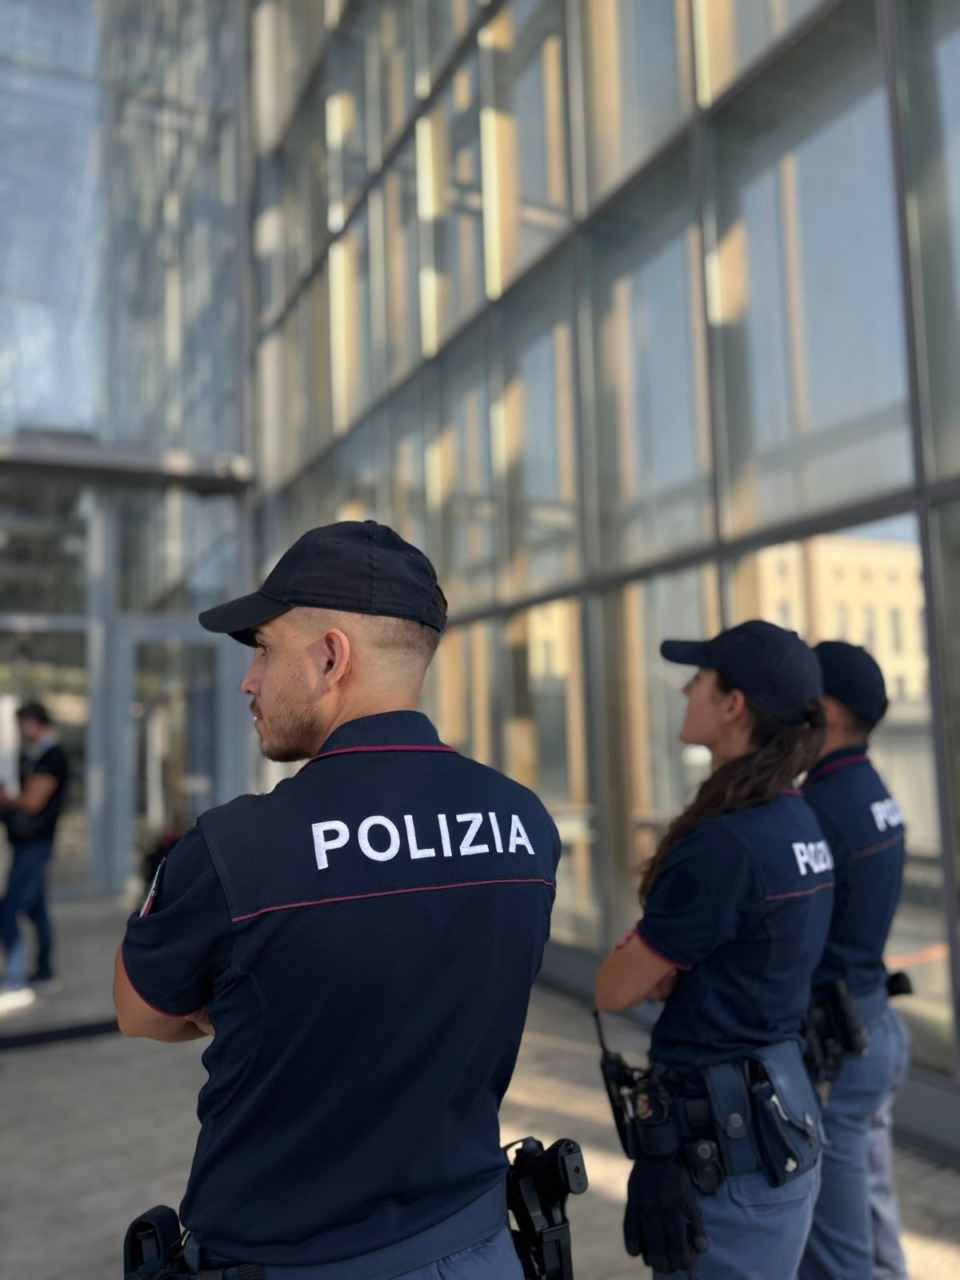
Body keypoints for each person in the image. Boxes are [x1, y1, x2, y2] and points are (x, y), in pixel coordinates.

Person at [113, 520, 562, 1280]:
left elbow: (141, 1010)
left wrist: (248, 1002)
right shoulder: (523, 822)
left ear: (330, 657)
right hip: (481, 1250)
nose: (249, 679)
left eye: (263, 648)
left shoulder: (238, 850)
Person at [594, 620, 834, 1280]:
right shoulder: (796, 820)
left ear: (733, 706)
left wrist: (650, 963)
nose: (684, 689)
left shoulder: (726, 843)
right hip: (771, 1136)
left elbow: (613, 988)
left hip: (730, 1165)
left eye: (699, 679)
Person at [799, 642, 911, 1280]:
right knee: (874, 1216)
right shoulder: (870, 790)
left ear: (830, 713)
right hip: (872, 1025)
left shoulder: (822, 806)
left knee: (838, 1253)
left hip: (840, 1045)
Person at [0, 700, 69, 1012]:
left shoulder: (51, 757)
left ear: (32, 722)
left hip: (35, 845)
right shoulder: (38, 755)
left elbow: (31, 803)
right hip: (30, 844)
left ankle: (15, 977)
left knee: (8, 908)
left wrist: (5, 799)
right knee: (36, 909)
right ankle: (44, 970)